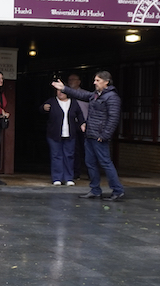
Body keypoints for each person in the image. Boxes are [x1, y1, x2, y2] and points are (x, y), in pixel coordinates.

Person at [51, 70, 124, 200]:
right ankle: (95, 189)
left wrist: (105, 134)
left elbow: (113, 118)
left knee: (105, 162)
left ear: (106, 82)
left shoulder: (112, 97)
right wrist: (64, 88)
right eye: (95, 80)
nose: (94, 83)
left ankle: (117, 190)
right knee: (90, 163)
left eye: (98, 80)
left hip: (99, 135)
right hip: (90, 134)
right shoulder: (96, 95)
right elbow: (81, 95)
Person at [41, 85, 84, 186]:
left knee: (69, 155)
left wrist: (83, 123)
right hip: (54, 134)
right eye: (58, 91)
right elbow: (41, 110)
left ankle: (69, 178)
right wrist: (44, 108)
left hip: (70, 134)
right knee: (56, 155)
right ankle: (57, 178)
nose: (60, 93)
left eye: (62, 91)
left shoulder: (73, 102)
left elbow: (80, 115)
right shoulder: (51, 101)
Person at [66, 73, 89, 179]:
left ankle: (90, 172)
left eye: (73, 79)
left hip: (84, 124)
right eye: (69, 80)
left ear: (79, 82)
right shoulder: (65, 95)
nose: (71, 81)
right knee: (73, 149)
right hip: (71, 124)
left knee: (86, 149)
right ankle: (76, 172)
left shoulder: (86, 95)